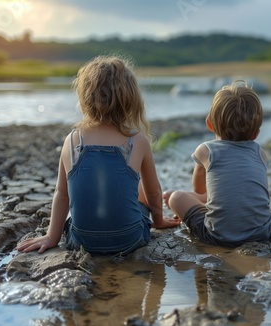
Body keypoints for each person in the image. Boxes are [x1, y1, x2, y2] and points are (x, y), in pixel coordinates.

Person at [18, 55, 180, 255]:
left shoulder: (72, 140)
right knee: (140, 193)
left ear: (85, 98)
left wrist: (52, 236)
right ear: (130, 98)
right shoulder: (136, 140)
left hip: (81, 242)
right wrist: (159, 221)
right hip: (129, 239)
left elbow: (62, 194)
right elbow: (154, 192)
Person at [164, 80, 271, 247]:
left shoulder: (206, 150)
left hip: (219, 236)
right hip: (262, 234)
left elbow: (199, 189)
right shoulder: (261, 153)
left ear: (209, 124)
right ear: (256, 134)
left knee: (175, 197)